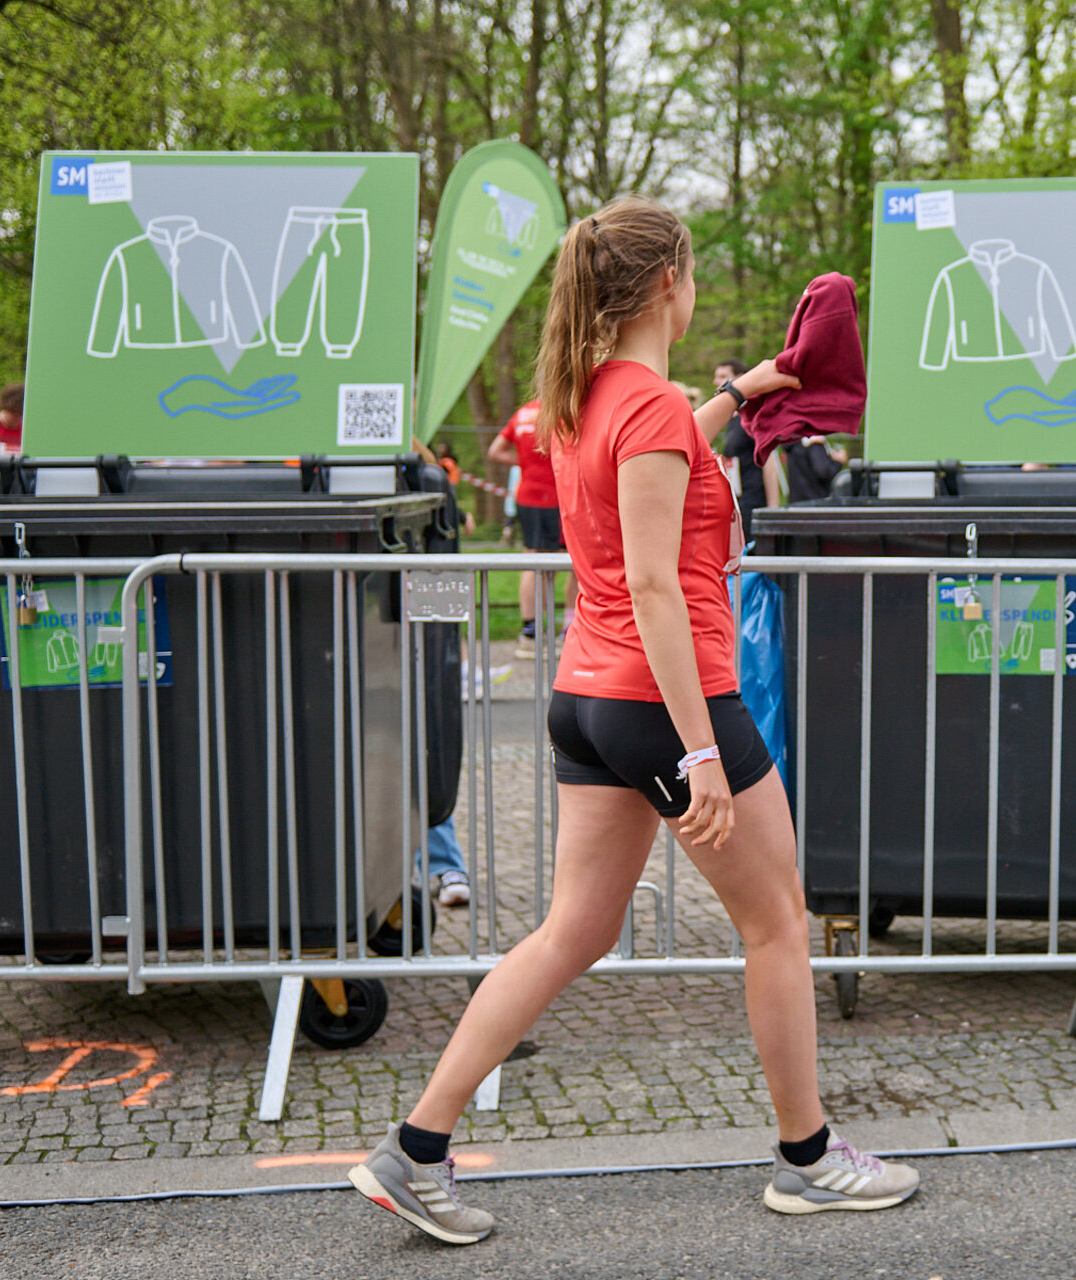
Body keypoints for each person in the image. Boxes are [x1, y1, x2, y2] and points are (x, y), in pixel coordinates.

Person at [349, 195, 918, 1246]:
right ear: (669, 284)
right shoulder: (646, 404)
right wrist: (702, 747)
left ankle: (415, 1147)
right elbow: (656, 584)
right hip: (666, 699)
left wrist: (741, 394)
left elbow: (657, 462)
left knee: (574, 929)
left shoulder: (585, 397)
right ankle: (809, 1158)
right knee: (777, 920)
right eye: (693, 277)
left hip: (588, 699)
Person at [487, 401, 573, 659]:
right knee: (566, 562)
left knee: (533, 558)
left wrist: (523, 462)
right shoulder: (561, 412)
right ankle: (560, 630)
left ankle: (532, 632)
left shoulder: (523, 412)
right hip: (554, 496)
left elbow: (495, 451)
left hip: (527, 495)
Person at [715, 358, 786, 529]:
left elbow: (769, 460)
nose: (717, 382)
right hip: (738, 499)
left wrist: (772, 509)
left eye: (723, 376)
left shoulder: (751, 418)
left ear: (740, 378)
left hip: (754, 500)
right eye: (716, 377)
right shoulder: (732, 419)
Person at [786, 435, 847, 502]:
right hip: (815, 501)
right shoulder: (814, 443)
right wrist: (838, 462)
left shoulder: (794, 443)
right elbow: (823, 472)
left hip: (796, 501)